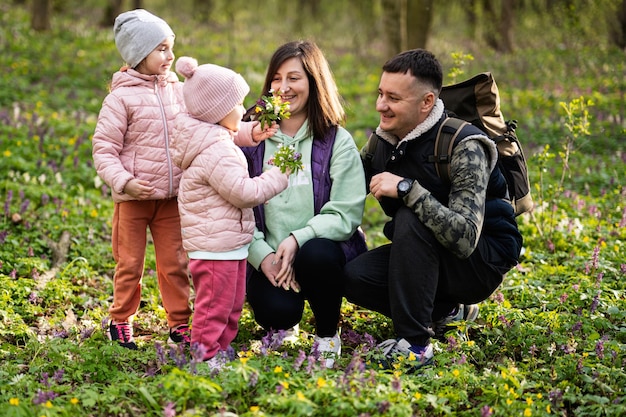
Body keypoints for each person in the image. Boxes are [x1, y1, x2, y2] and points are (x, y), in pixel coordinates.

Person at [344, 49, 523, 370]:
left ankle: (415, 346)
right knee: (356, 277)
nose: (380, 105)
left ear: (426, 102)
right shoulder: (383, 142)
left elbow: (465, 238)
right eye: (380, 94)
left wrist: (406, 190)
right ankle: (446, 311)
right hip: (425, 255)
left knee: (410, 215)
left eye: (393, 98)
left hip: (479, 261)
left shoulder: (465, 145)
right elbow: (343, 187)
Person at [240, 40, 367, 368]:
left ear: (314, 81)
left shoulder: (336, 140)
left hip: (318, 255)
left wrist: (298, 238)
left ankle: (327, 333)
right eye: (276, 78)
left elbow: (346, 212)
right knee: (277, 312)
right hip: (269, 259)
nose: (283, 87)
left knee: (317, 252)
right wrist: (262, 256)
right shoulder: (251, 136)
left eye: (294, 78)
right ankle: (285, 323)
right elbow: (231, 204)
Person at [170, 57, 290, 364]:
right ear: (219, 112)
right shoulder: (216, 152)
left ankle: (221, 347)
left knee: (232, 302)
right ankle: (204, 356)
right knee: (215, 306)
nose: (243, 110)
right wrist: (275, 176)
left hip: (228, 243)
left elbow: (226, 132)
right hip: (214, 247)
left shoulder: (211, 135)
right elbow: (243, 193)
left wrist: (252, 133)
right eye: (238, 105)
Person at [92, 9, 193, 349]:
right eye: (161, 48)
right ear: (138, 54)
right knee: (129, 263)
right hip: (134, 199)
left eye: (171, 47)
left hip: (170, 200)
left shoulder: (179, 92)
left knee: (175, 263)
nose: (170, 55)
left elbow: (200, 126)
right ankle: (121, 320)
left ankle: (179, 323)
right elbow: (104, 148)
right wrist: (123, 181)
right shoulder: (120, 98)